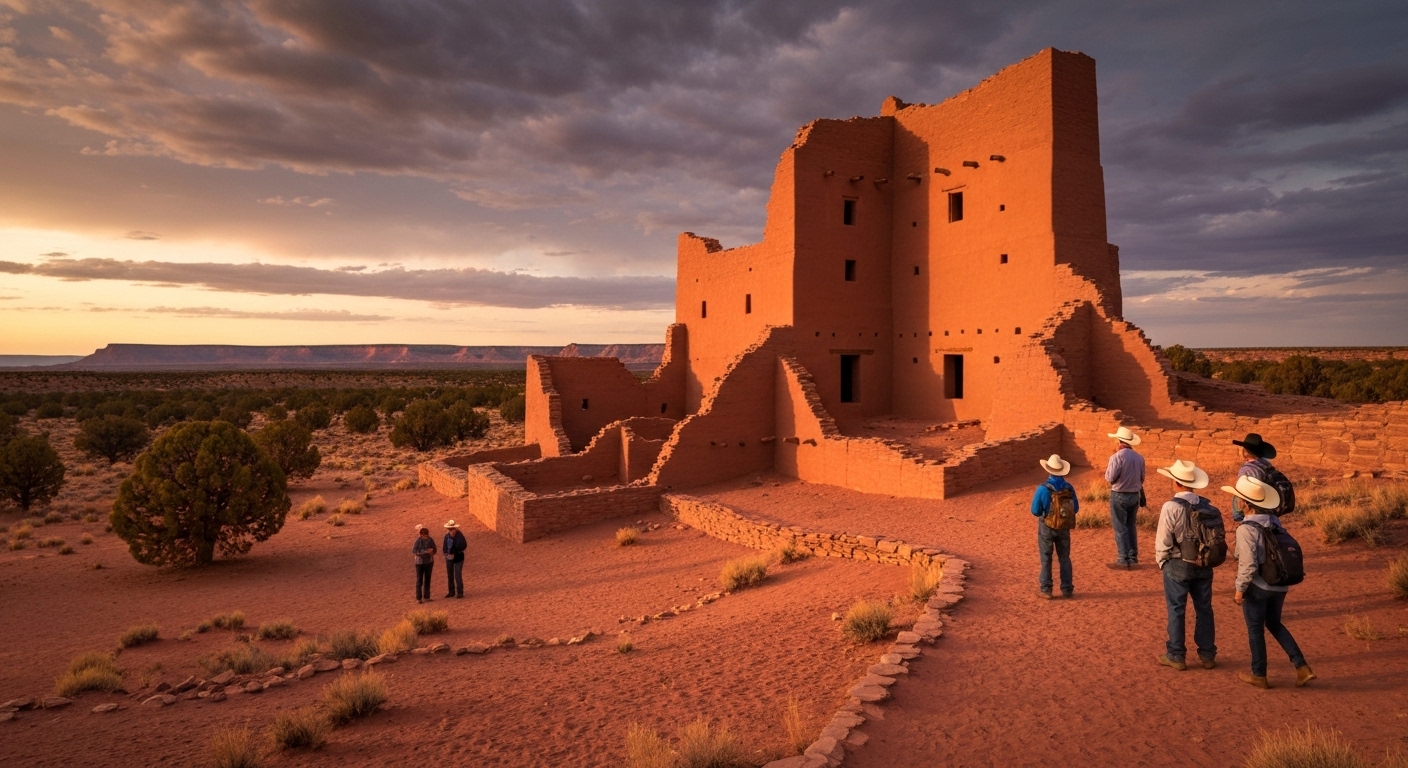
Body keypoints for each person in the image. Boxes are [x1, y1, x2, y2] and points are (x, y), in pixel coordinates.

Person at [1224, 475, 1316, 689]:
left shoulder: (1246, 529)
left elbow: (1248, 565)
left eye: (1239, 498)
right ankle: (1302, 666)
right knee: (1274, 624)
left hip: (1259, 586)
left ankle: (1259, 674)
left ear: (1245, 503)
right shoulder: (1275, 523)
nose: (1237, 501)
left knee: (1255, 629)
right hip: (1280, 584)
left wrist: (1239, 590)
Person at [1153, 460, 1220, 671]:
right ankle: (1207, 655)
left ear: (1176, 482)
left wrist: (1162, 561)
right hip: (1204, 563)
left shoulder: (1170, 506)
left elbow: (1163, 539)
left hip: (1177, 564)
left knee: (1176, 609)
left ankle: (1176, 655)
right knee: (1204, 609)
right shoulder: (1209, 507)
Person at [1029, 454, 1078, 599]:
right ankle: (1067, 588)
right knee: (1064, 557)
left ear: (1049, 469)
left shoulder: (1043, 489)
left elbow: (1035, 510)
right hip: (1064, 526)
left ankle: (1046, 589)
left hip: (1047, 526)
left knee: (1046, 558)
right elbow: (1075, 508)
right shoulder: (1068, 488)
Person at [1104, 426, 1146, 569]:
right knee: (1130, 525)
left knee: (1120, 527)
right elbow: (1142, 478)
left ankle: (1123, 558)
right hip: (1134, 495)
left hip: (1119, 494)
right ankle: (1133, 557)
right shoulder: (1140, 458)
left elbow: (1110, 477)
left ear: (1119, 441)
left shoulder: (1116, 457)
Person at [1231, 433, 1278, 522]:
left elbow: (1241, 494)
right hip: (1269, 510)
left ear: (1245, 452)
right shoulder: (1267, 466)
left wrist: (1238, 513)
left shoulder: (1246, 469)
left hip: (1253, 512)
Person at [413, 524, 437, 604]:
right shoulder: (417, 541)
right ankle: (419, 598)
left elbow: (435, 549)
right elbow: (414, 551)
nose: (425, 537)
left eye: (426, 535)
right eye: (423, 536)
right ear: (420, 535)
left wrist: (432, 551)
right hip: (419, 563)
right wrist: (422, 552)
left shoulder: (430, 540)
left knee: (427, 579)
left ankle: (427, 597)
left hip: (429, 562)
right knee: (419, 580)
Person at [443, 519, 467, 599]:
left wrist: (454, 554)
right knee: (450, 575)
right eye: (450, 529)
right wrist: (446, 554)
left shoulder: (459, 536)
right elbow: (445, 547)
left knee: (457, 575)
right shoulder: (447, 536)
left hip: (458, 558)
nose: (451, 530)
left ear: (455, 529)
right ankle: (451, 592)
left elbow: (463, 546)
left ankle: (460, 592)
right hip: (449, 557)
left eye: (452, 529)